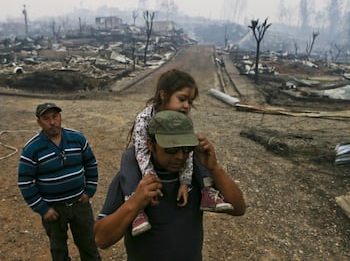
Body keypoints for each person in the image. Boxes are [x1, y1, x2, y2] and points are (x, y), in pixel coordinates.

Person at [94, 110, 246, 260]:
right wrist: (135, 202)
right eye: (171, 149)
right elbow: (101, 239)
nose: (180, 156)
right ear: (151, 145)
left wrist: (214, 168)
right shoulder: (132, 179)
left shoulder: (196, 174)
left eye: (186, 149)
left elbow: (238, 208)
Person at [124, 69, 233, 236]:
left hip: (179, 167)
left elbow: (186, 151)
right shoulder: (144, 118)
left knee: (198, 147)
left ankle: (207, 191)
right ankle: (135, 208)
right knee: (128, 159)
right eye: (182, 99)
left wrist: (185, 182)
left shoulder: (183, 120)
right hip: (148, 159)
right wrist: (151, 179)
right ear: (163, 95)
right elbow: (142, 153)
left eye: (190, 102)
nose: (186, 106)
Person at [17, 102, 101, 261]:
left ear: (60, 117)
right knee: (59, 250)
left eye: (55, 116)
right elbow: (25, 182)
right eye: (46, 118)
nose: (52, 122)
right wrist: (43, 209)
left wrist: (89, 191)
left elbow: (91, 164)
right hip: (53, 210)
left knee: (89, 246)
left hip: (79, 205)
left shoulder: (78, 139)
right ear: (39, 122)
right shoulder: (32, 149)